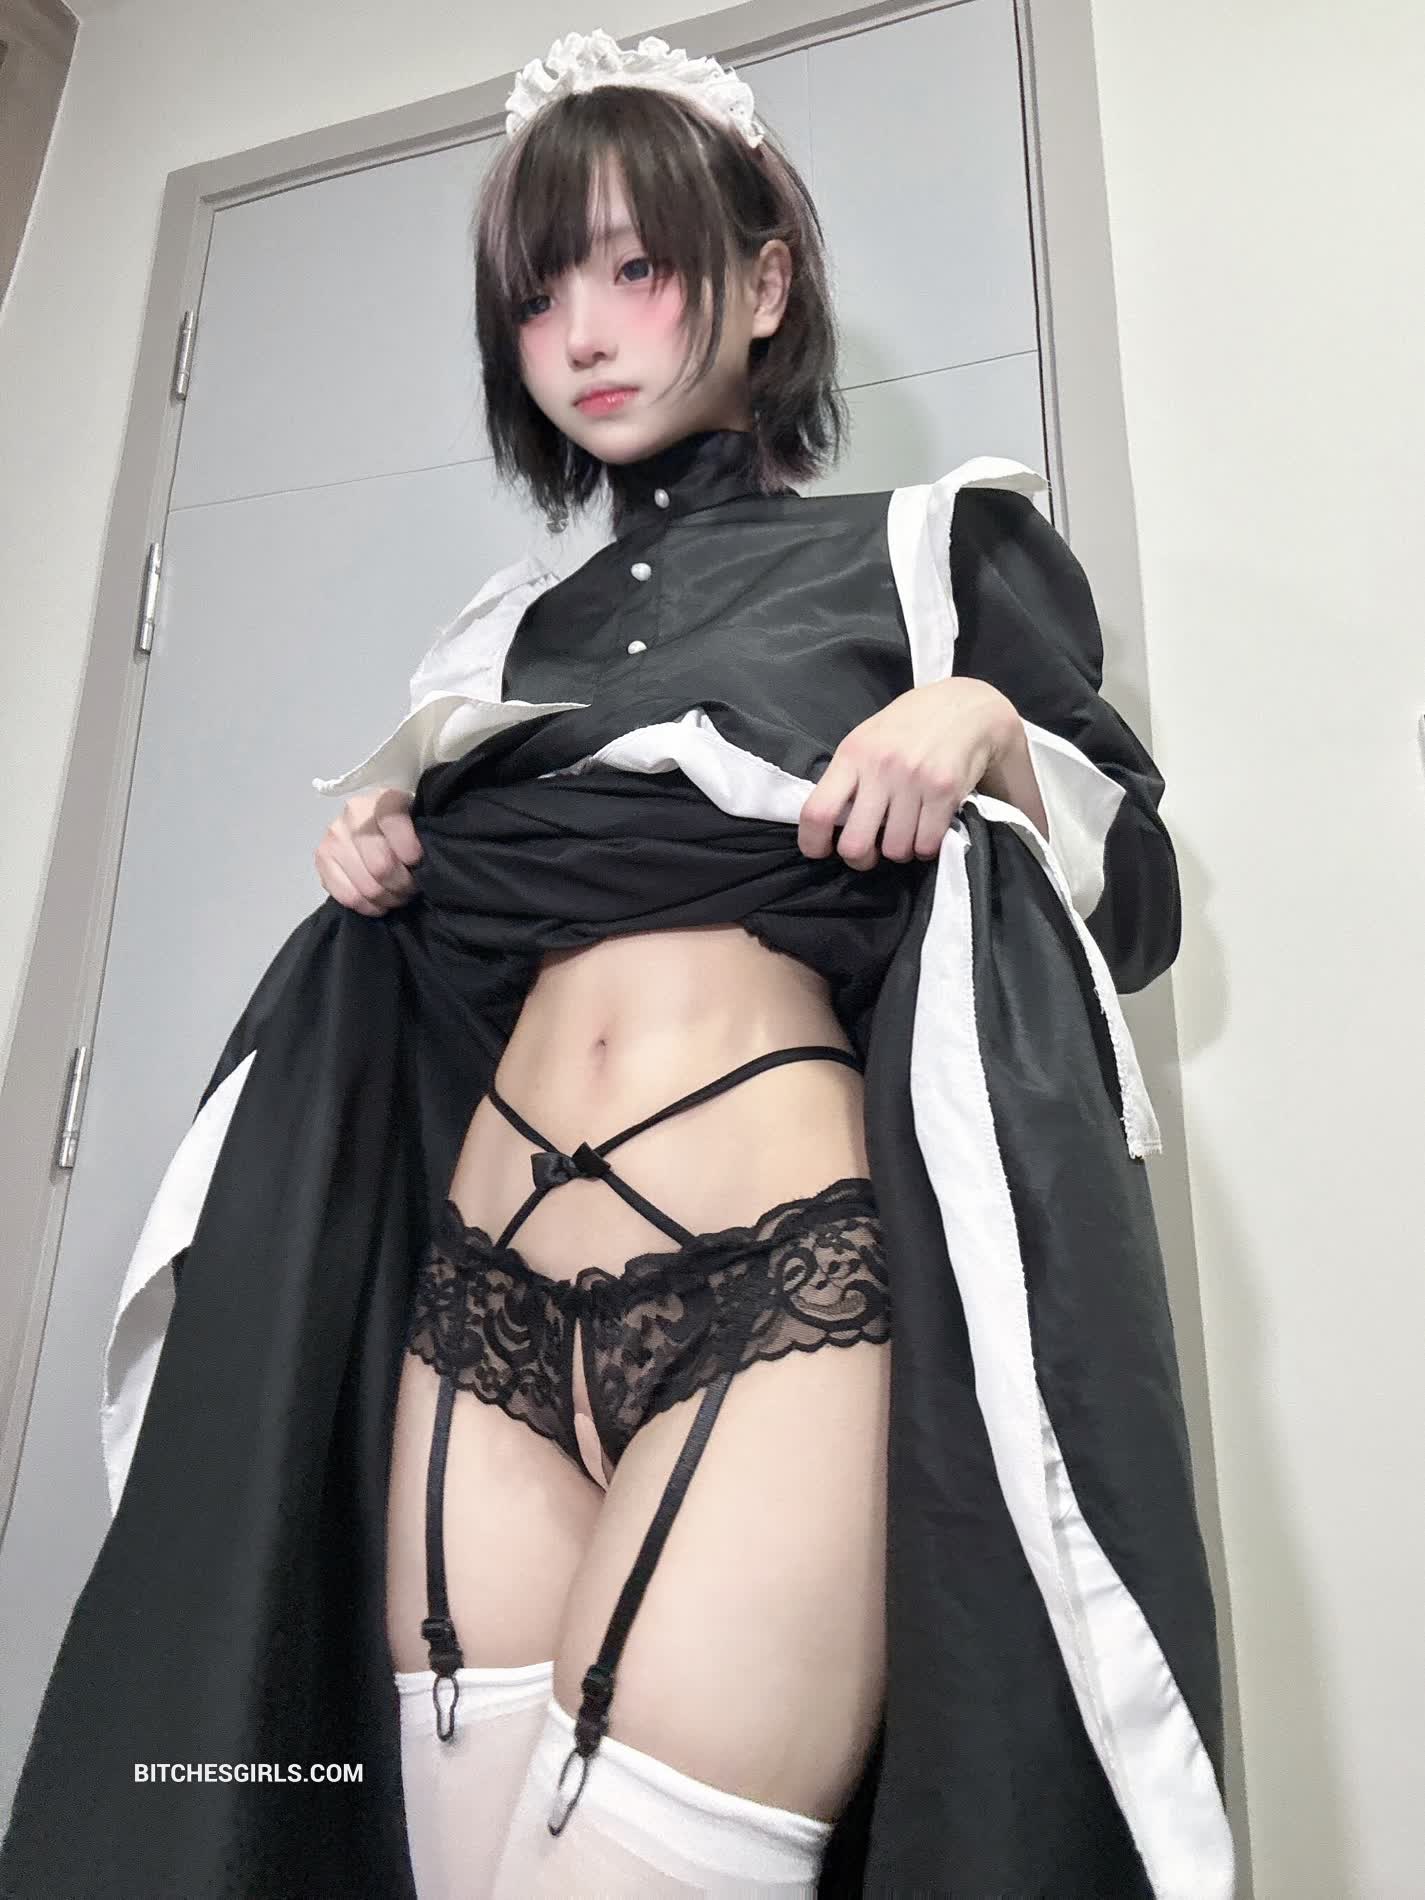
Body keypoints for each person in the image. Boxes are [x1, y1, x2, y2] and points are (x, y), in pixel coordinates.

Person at [0, 29, 1234, 1900]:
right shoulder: (498, 640)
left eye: (636, 267)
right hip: (479, 1315)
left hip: (776, 1291)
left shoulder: (928, 552)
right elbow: (454, 983)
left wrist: (985, 724)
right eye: (535, 293)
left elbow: (1129, 903)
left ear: (763, 282)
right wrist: (385, 862)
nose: (580, 332)